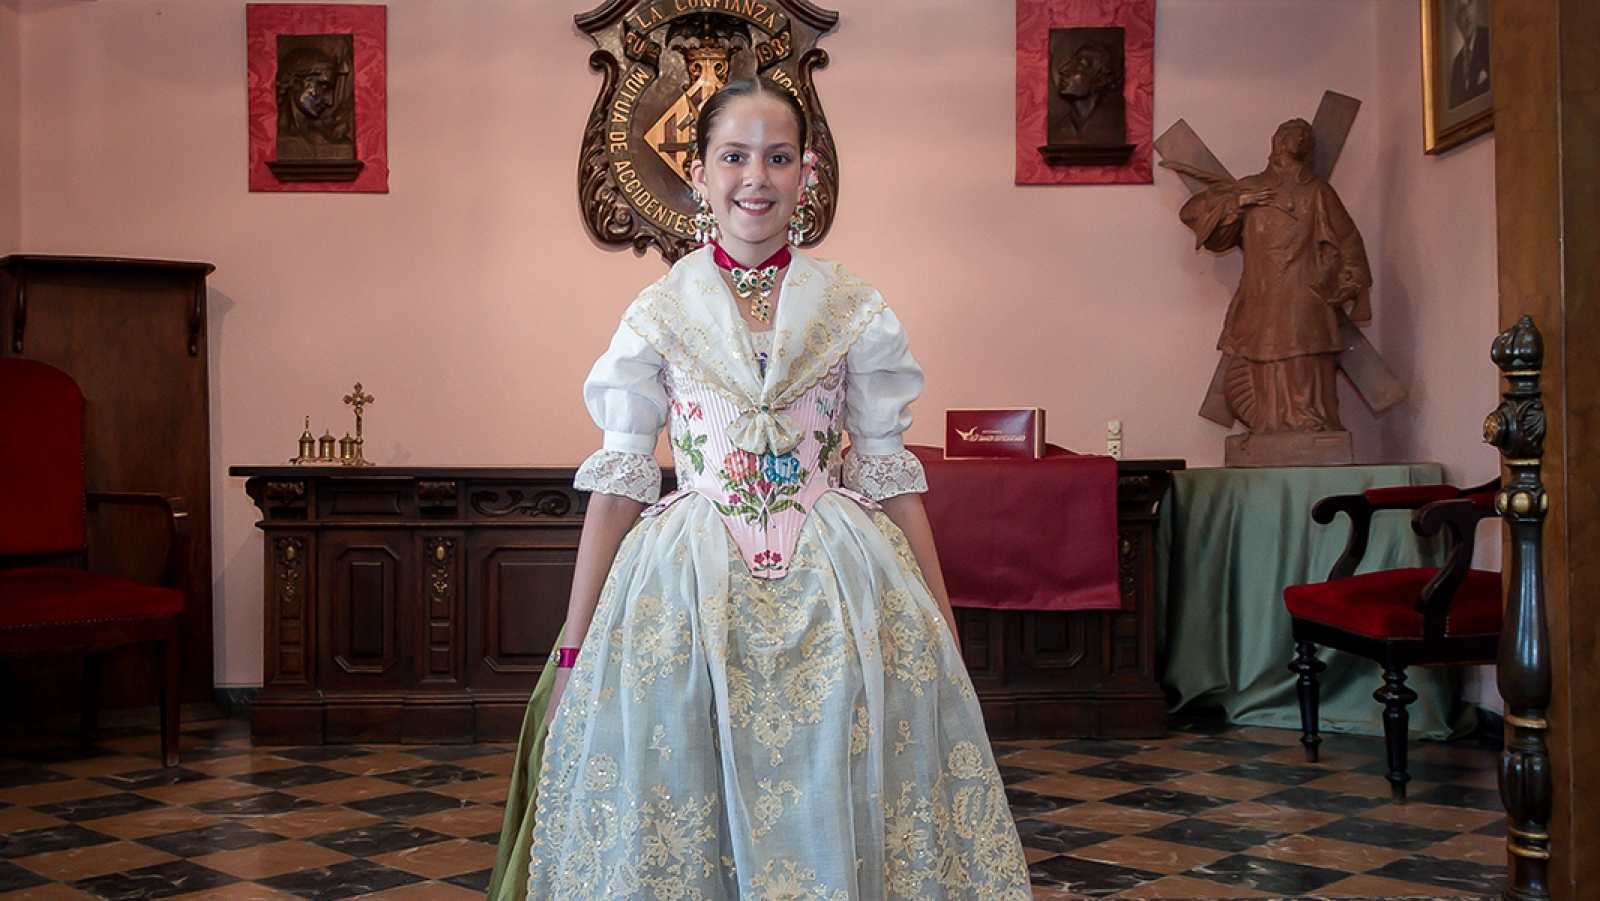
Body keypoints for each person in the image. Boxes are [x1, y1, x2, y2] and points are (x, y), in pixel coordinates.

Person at [489, 78, 1032, 901]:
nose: (757, 177)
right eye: (734, 157)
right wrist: (572, 649)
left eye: (778, 158)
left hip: (839, 586)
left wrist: (943, 622)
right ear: (701, 174)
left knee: (845, 782)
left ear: (806, 173)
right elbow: (620, 482)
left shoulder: (853, 306)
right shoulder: (657, 314)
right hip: (686, 589)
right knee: (682, 791)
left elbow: (885, 471)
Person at [1171, 118, 1372, 434]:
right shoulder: (1252, 187)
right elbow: (1192, 213)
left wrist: (1351, 281)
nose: (1300, 137)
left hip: (1307, 288)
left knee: (1306, 351)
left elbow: (1348, 240)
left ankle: (1312, 419)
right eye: (1292, 132)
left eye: (1306, 134)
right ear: (1276, 142)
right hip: (1263, 292)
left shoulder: (1318, 191)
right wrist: (1238, 202)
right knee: (1266, 354)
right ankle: (1270, 422)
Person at [1447, 0, 1490, 109]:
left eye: (1470, 4)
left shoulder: (1489, 40)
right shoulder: (1457, 63)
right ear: (1456, 21)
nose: (1467, 16)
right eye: (1461, 10)